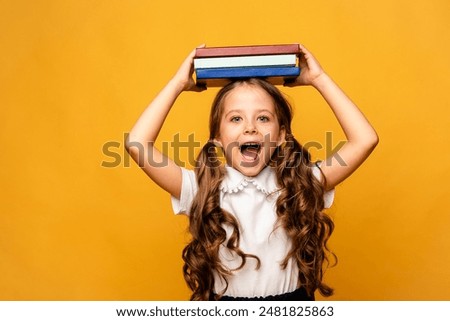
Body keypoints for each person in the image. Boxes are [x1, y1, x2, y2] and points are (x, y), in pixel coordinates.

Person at [126, 44, 379, 301]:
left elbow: (364, 139)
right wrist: (177, 83)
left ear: (282, 136)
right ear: (217, 138)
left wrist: (319, 79)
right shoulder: (201, 188)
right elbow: (137, 144)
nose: (250, 128)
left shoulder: (300, 183)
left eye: (263, 118)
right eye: (236, 119)